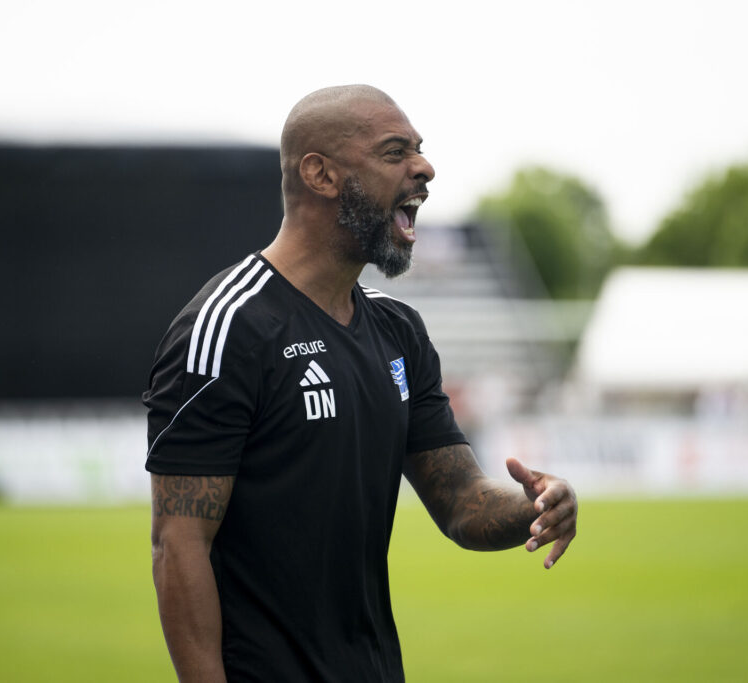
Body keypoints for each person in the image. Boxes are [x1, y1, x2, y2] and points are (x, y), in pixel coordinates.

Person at [143, 85, 577, 682]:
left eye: (419, 151)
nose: (424, 168)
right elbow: (178, 545)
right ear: (320, 174)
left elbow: (461, 503)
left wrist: (534, 505)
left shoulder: (398, 330)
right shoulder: (229, 327)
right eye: (395, 152)